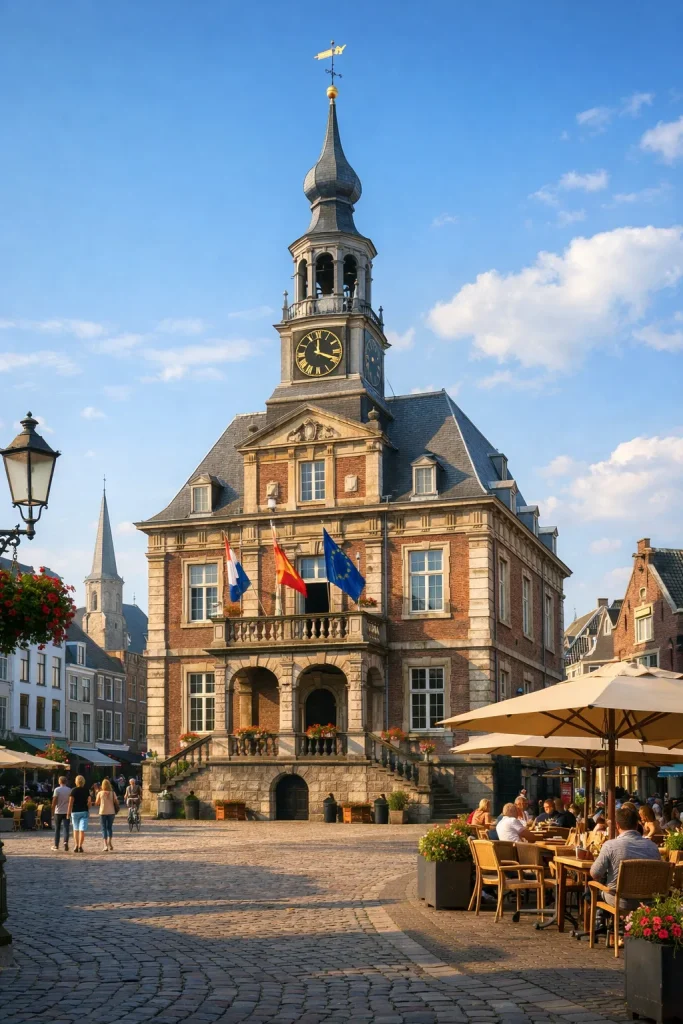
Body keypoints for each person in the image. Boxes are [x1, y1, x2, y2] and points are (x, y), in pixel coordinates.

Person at [590, 806, 661, 910]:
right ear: (637, 825)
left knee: (593, 888)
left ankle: (599, 920)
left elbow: (594, 873)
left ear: (617, 826)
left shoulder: (610, 846)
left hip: (621, 901)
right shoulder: (653, 847)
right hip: (648, 902)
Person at [67, 776, 91, 853]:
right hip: (84, 811)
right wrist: (88, 807)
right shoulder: (86, 790)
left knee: (75, 830)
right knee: (82, 830)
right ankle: (80, 846)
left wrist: (68, 813)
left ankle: (76, 845)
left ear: (76, 781)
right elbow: (89, 803)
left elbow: (70, 803)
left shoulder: (73, 790)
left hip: (75, 812)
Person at [95, 777, 119, 852]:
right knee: (109, 828)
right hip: (111, 812)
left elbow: (96, 803)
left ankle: (105, 845)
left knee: (103, 828)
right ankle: (110, 842)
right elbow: (116, 802)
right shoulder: (113, 793)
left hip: (102, 812)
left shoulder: (100, 793)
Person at [51, 775, 72, 851]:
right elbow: (71, 801)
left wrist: (52, 810)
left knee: (57, 828)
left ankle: (56, 845)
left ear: (59, 781)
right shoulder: (69, 790)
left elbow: (54, 801)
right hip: (66, 811)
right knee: (66, 828)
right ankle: (65, 842)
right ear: (66, 782)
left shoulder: (57, 790)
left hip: (58, 811)